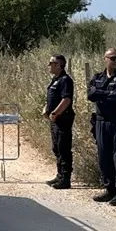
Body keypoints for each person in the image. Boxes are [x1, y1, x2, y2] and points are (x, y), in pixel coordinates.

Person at [87, 47, 116, 205]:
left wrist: (101, 94)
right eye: (113, 58)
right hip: (100, 122)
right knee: (103, 156)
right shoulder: (98, 77)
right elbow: (90, 95)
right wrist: (107, 94)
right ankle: (109, 189)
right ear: (105, 59)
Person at [42, 54, 75, 189]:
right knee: (56, 147)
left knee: (63, 147)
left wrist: (56, 113)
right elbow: (52, 97)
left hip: (63, 119)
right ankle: (59, 175)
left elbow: (66, 99)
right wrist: (47, 109)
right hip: (55, 119)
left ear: (58, 65)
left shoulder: (65, 80)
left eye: (51, 63)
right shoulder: (55, 79)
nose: (49, 65)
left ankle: (66, 178)